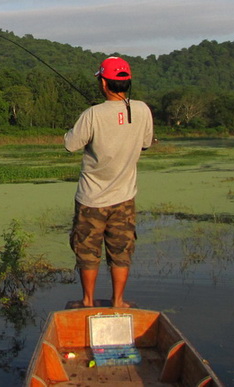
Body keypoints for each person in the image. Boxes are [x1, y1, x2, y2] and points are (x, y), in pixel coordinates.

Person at [64, 56, 154, 308]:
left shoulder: (91, 114)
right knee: (121, 252)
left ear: (104, 83)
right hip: (124, 199)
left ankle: (88, 301)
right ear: (127, 83)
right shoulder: (143, 110)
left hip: (91, 199)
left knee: (87, 252)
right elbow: (146, 143)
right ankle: (118, 301)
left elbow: (71, 144)